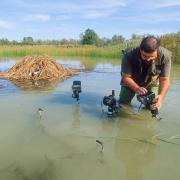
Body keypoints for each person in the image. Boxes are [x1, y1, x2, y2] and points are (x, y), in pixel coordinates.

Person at [119, 36, 171, 110]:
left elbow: (165, 79)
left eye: (151, 56)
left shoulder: (165, 56)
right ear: (140, 49)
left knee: (152, 106)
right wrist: (137, 88)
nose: (148, 59)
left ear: (157, 50)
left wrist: (161, 97)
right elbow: (126, 77)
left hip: (152, 81)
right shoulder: (128, 54)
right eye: (144, 56)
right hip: (131, 80)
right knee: (123, 104)